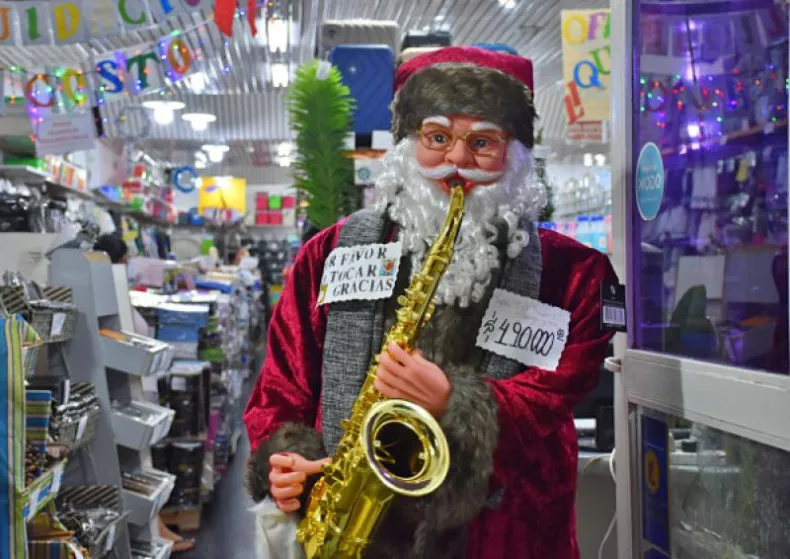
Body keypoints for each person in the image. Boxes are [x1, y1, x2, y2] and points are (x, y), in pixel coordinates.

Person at [244, 46, 617, 558]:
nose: (457, 161)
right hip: (353, 530)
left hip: (505, 536)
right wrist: (285, 458)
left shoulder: (575, 274)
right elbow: (283, 382)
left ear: (516, 153)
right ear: (407, 143)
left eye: (482, 142)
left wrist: (455, 401)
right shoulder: (328, 254)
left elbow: (556, 393)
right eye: (437, 138)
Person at [93, 233, 197, 554]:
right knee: (139, 468)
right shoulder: (110, 293)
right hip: (131, 392)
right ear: (123, 260)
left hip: (138, 392)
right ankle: (157, 532)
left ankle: (159, 530)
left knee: (144, 468)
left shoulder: (115, 292)